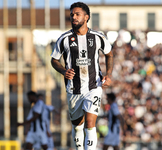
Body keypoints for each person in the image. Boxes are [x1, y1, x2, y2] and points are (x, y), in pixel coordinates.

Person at [50, 2, 113, 150]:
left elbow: (109, 54)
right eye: (72, 14)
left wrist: (108, 75)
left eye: (77, 14)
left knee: (90, 123)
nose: (74, 17)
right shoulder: (64, 39)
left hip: (94, 86)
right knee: (78, 126)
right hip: (74, 89)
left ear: (86, 17)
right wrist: (63, 71)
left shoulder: (98, 37)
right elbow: (54, 60)